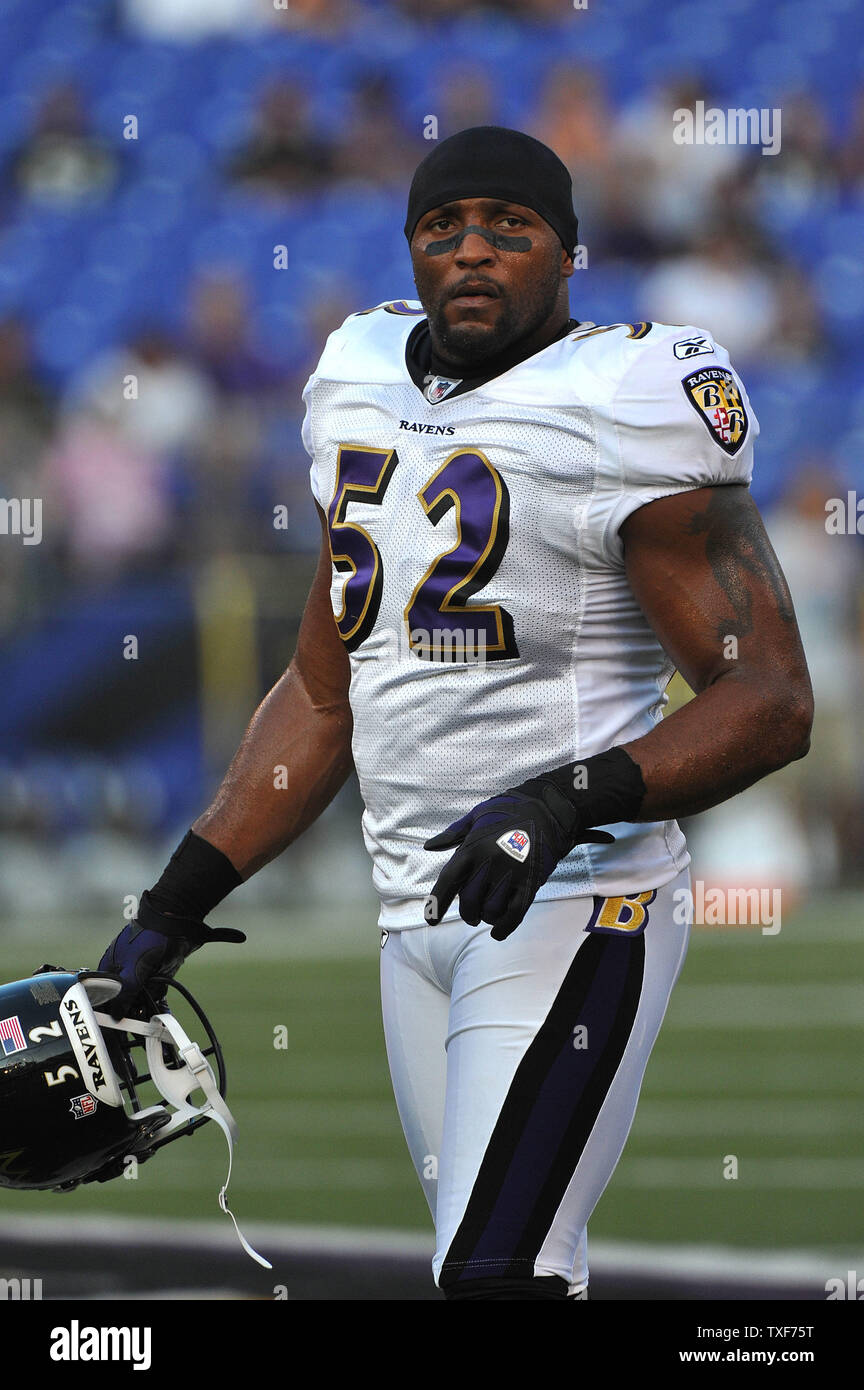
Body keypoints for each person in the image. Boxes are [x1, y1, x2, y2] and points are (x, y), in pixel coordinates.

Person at [99, 127, 813, 1301]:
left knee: (496, 1276)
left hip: (581, 901)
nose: (473, 251)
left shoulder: (625, 396)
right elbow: (325, 692)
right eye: (444, 227)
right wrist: (172, 907)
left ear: (572, 253)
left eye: (510, 227)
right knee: (511, 1271)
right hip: (413, 915)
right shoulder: (357, 374)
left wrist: (560, 802)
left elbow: (771, 696)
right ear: (411, 249)